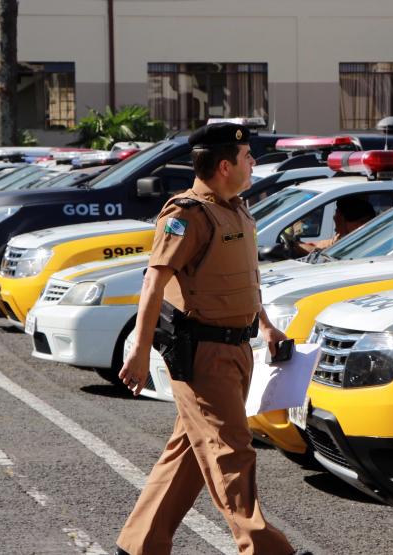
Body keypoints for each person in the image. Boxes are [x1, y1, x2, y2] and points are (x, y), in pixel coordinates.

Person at [113, 123, 299, 555]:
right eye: (247, 156)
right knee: (231, 453)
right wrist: (139, 353)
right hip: (203, 354)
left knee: (189, 454)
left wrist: (266, 325)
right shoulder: (186, 215)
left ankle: (140, 544)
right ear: (223, 165)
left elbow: (242, 280)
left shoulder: (236, 208)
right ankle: (264, 548)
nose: (252, 162)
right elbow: (153, 284)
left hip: (236, 348)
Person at [292, 195, 375, 254]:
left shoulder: (358, 242)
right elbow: (324, 245)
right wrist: (300, 244)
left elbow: (324, 254)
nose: (334, 217)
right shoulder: (343, 237)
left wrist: (297, 246)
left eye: (337, 213)